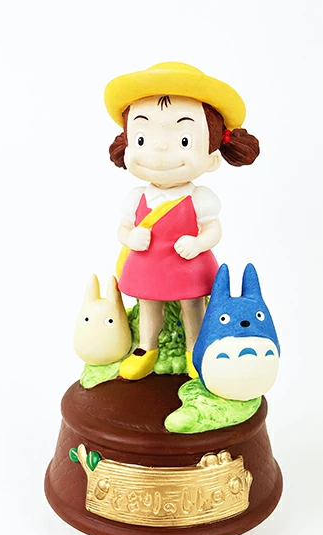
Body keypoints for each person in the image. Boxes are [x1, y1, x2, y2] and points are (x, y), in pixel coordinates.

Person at [105, 62, 260, 380]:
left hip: (187, 266)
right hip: (148, 265)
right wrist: (130, 237)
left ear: (212, 157)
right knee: (148, 304)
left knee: (193, 305)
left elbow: (213, 229)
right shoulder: (136, 197)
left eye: (184, 140)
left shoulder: (200, 197)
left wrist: (199, 243)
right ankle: (146, 347)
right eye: (142, 139)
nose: (159, 149)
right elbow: (123, 227)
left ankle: (194, 348)